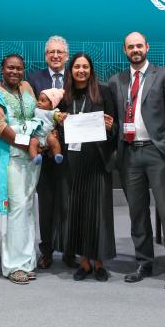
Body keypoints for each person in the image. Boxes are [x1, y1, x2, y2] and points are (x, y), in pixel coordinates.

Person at [108, 31, 165, 290]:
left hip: (158, 153)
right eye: (130, 47)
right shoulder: (116, 81)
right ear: (124, 50)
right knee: (136, 212)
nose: (135, 50)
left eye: (139, 45)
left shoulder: (164, 75)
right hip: (129, 154)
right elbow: (115, 119)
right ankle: (144, 261)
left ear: (147, 47)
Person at [0, 54, 42, 284]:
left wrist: (40, 139)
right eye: (10, 68)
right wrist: (27, 142)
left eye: (19, 68)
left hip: (31, 155)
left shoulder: (26, 87)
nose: (15, 72)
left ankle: (28, 259)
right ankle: (14, 265)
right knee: (16, 207)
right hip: (9, 155)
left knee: (28, 206)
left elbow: (36, 115)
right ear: (2, 69)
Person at [55, 53, 117, 282]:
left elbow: (115, 123)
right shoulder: (65, 96)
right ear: (71, 71)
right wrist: (60, 123)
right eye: (77, 67)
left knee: (99, 212)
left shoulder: (104, 91)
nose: (81, 70)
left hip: (98, 159)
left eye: (85, 67)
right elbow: (59, 131)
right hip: (74, 162)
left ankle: (99, 262)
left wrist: (111, 127)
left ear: (91, 70)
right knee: (78, 211)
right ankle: (83, 262)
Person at [26, 35, 75, 269]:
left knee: (68, 202)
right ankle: (46, 250)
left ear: (66, 56)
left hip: (71, 150)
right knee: (46, 203)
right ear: (45, 55)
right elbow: (28, 111)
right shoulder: (33, 79)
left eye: (60, 52)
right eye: (51, 52)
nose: (55, 56)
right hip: (42, 152)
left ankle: (69, 250)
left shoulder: (76, 75)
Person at [28, 88, 64, 165]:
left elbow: (58, 116)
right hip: (37, 135)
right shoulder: (36, 109)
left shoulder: (53, 112)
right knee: (32, 142)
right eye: (39, 100)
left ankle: (57, 154)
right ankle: (35, 158)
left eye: (43, 101)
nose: (39, 102)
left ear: (52, 104)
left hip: (48, 134)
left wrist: (61, 116)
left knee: (53, 141)